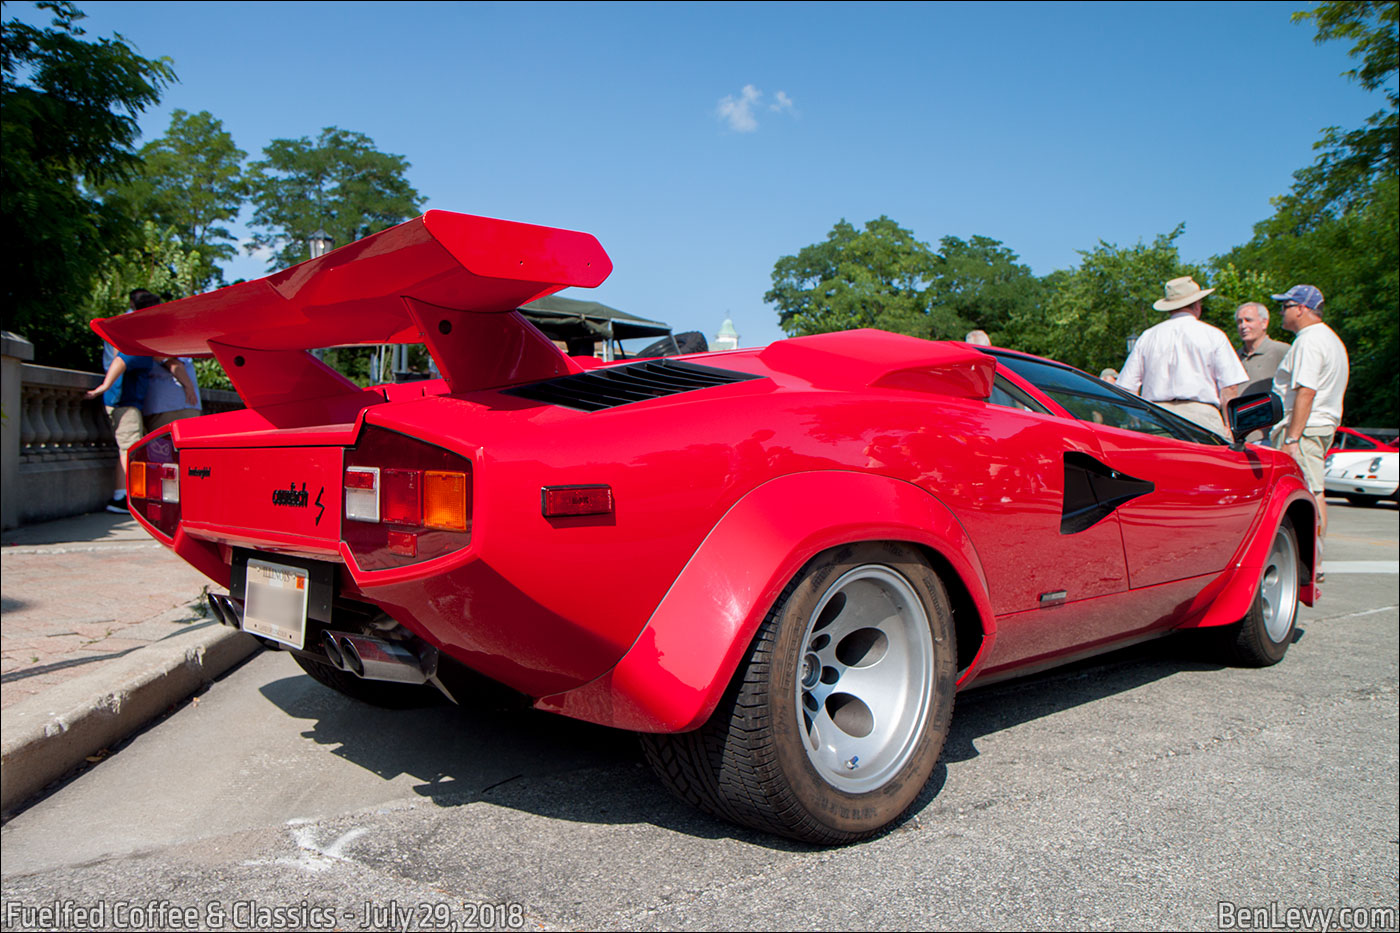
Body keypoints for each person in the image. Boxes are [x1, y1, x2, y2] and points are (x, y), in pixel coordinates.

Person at [1117, 276, 1247, 439]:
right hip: (1202, 417)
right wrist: (1230, 425)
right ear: (1197, 305)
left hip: (1156, 417)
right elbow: (1229, 388)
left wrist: (1136, 420)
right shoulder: (1213, 335)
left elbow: (1127, 387)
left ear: (1170, 307)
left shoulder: (1148, 336)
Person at [1270, 284, 1349, 551]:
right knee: (1312, 490)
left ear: (1302, 308)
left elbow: (1306, 390)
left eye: (1285, 306)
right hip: (1320, 425)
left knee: (1310, 493)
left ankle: (1314, 561)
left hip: (1305, 429)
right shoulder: (1330, 338)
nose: (1281, 312)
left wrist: (1292, 437)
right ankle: (1313, 558)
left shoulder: (1309, 340)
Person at [1234, 301, 1288, 443]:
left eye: (1248, 320)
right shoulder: (1235, 356)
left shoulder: (1282, 352)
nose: (1243, 326)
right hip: (1240, 437)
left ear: (1264, 323)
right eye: (1239, 321)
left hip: (1269, 436)